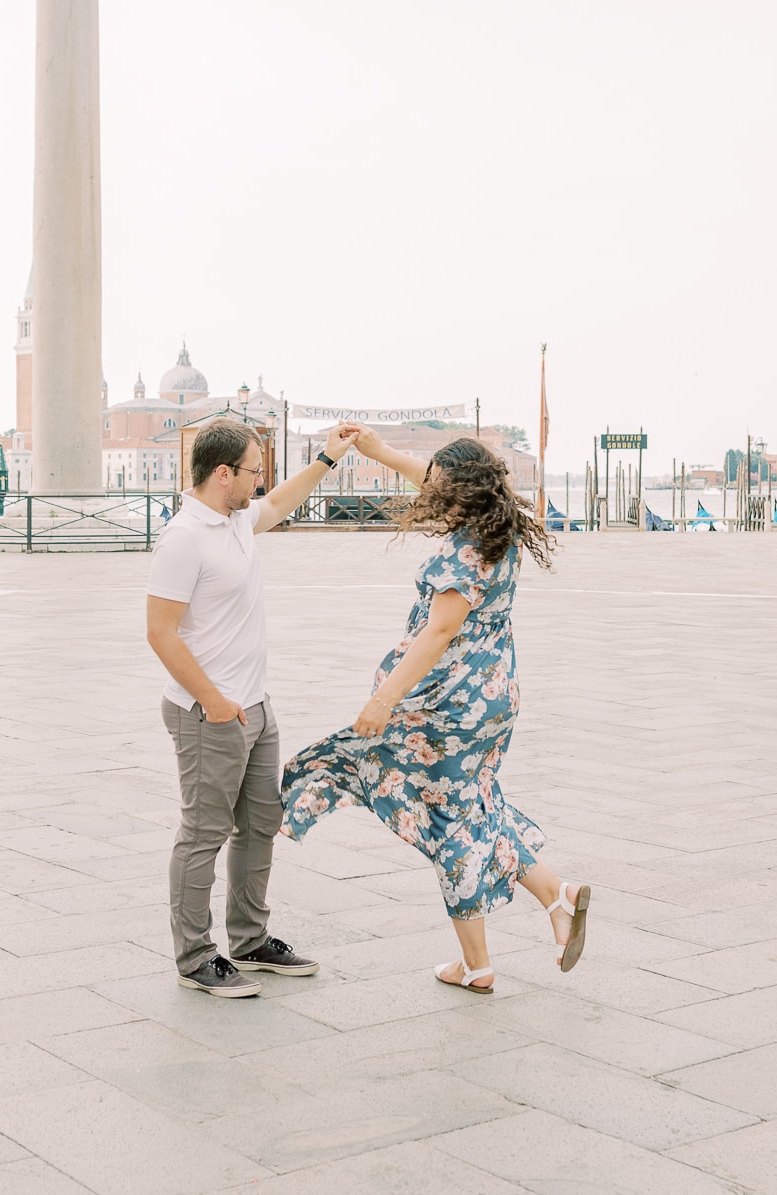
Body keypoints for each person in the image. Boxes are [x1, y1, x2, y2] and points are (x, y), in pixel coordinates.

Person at [280, 431, 590, 993]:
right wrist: (376, 453)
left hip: (449, 707)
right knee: (477, 804)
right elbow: (429, 477)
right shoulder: (500, 532)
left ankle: (478, 966)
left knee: (449, 822)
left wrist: (381, 702)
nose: (428, 494)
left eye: (438, 488)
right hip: (494, 696)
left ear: (459, 493)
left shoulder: (462, 552)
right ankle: (556, 896)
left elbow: (437, 635)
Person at [146, 417, 359, 997]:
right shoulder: (184, 536)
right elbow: (161, 633)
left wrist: (328, 457)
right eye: (253, 471)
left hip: (256, 707)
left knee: (260, 824)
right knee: (204, 832)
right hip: (207, 712)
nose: (261, 481)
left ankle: (250, 939)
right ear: (222, 474)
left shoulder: (236, 519)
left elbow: (283, 501)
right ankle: (194, 957)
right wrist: (214, 702)